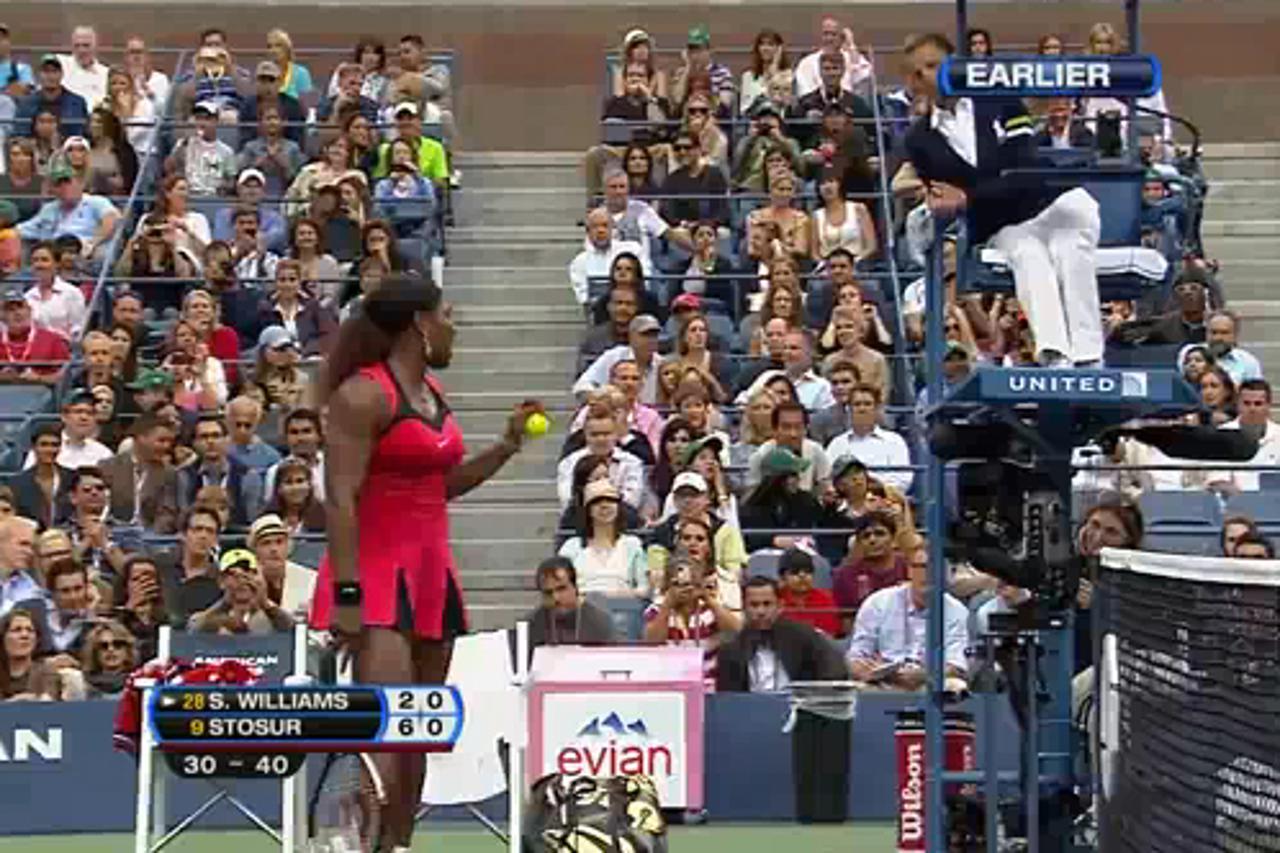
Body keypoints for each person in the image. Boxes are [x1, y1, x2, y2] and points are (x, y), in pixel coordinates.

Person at [308, 273, 541, 850]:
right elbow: (340, 499)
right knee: (387, 730)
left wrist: (507, 445)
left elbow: (441, 486)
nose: (454, 327)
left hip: (432, 580)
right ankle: (364, 841)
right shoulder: (362, 395)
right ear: (420, 323)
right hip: (374, 581)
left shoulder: (432, 392)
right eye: (448, 316)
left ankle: (398, 846)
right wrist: (348, 595)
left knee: (416, 736)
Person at [905, 33, 1103, 367]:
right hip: (1003, 225)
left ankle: (1089, 358)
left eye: (933, 65)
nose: (925, 75)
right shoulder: (918, 140)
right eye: (917, 71)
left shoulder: (1001, 102)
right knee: (1028, 257)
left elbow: (1022, 169)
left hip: (1054, 201)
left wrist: (969, 196)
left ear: (955, 66)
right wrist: (960, 199)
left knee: (1068, 249)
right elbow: (947, 196)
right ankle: (1055, 355)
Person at [847, 537, 969, 689]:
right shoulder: (878, 603)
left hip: (930, 683)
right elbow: (856, 657)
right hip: (883, 683)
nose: (927, 573)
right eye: (921, 567)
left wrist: (923, 675)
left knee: (955, 685)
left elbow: (956, 666)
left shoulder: (956, 610)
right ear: (910, 570)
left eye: (935, 567)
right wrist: (865, 670)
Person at [717, 574, 847, 692]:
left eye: (767, 604)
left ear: (780, 605)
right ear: (744, 608)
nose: (761, 611)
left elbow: (835, 670)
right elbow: (728, 698)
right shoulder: (731, 649)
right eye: (754, 605)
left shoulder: (803, 636)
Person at [556, 480, 647, 597]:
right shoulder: (571, 547)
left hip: (623, 605)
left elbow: (644, 589)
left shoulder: (632, 544)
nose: (604, 506)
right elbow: (560, 587)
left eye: (610, 500)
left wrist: (614, 595)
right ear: (588, 509)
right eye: (596, 501)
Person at [524, 557, 617, 655]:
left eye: (561, 589)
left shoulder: (599, 623)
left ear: (575, 587)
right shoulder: (532, 625)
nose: (556, 597)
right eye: (548, 592)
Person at [188, 549, 295, 635]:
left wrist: (265, 603)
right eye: (232, 574)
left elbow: (294, 631)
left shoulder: (272, 619)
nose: (242, 579)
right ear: (221, 581)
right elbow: (193, 631)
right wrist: (224, 604)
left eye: (248, 572)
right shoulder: (211, 619)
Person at [247, 514, 315, 619]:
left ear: (288, 547)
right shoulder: (245, 580)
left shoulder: (311, 579)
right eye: (266, 543)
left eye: (279, 542)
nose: (274, 549)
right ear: (254, 550)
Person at [794, 18, 874, 97]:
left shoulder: (849, 58)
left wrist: (850, 44)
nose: (829, 38)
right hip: (816, 103)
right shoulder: (807, 62)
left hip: (847, 103)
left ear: (841, 37)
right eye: (825, 34)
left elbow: (864, 76)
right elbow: (804, 93)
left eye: (834, 34)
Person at [775, 549, 841, 637]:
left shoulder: (825, 599)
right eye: (795, 572)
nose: (802, 576)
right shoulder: (775, 599)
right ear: (783, 576)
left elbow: (830, 635)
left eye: (808, 571)